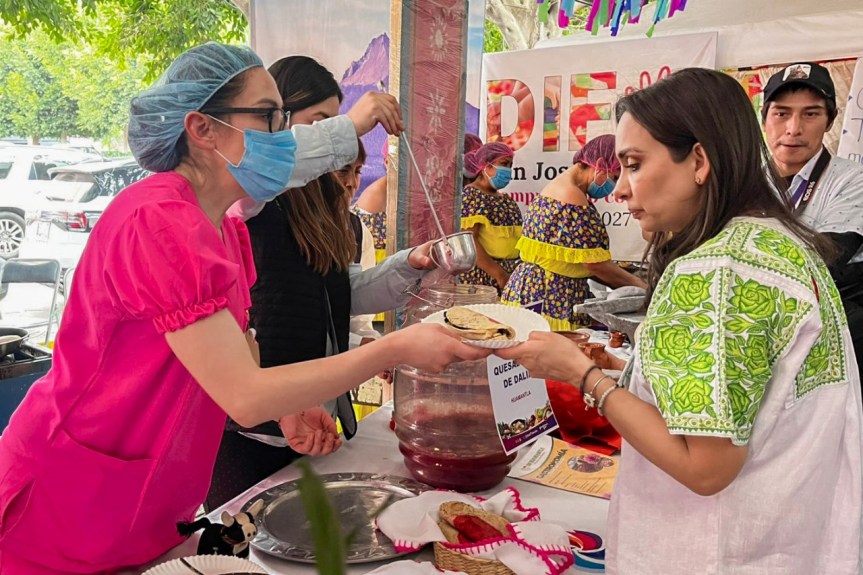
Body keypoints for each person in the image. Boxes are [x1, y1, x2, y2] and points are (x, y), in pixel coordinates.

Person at [0, 42, 487, 574]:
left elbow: (235, 363)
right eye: (268, 118)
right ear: (202, 129)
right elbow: (244, 395)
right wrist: (395, 347)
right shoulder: (157, 219)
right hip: (65, 501)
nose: (285, 138)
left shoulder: (226, 228)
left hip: (150, 503)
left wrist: (286, 406)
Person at [498, 68, 862, 574]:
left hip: (709, 551)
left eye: (634, 164)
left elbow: (705, 467)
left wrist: (584, 377)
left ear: (698, 160)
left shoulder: (712, 270)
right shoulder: (778, 243)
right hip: (785, 542)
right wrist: (629, 371)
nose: (621, 191)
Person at [210, 56, 434, 510]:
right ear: (279, 122)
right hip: (253, 431)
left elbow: (338, 293)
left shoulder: (331, 209)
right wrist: (351, 125)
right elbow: (262, 164)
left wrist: (409, 264)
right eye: (321, 122)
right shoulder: (252, 201)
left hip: (308, 414)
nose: (339, 141)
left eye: (336, 120)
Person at [761, 61, 863, 382]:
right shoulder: (745, 183)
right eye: (781, 113)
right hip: (762, 330)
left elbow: (826, 260)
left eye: (810, 114)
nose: (793, 128)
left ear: (830, 120)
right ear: (764, 118)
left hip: (835, 332)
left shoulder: (851, 180)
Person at [501, 135, 646, 330]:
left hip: (536, 292)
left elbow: (579, 258)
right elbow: (595, 264)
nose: (615, 187)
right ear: (600, 165)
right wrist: (644, 289)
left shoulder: (563, 189)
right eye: (614, 177)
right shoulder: (571, 196)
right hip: (549, 298)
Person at [459, 142, 522, 291]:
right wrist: (499, 274)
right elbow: (469, 241)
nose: (508, 170)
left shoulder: (506, 200)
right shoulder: (472, 196)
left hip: (508, 277)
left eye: (510, 165)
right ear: (486, 166)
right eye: (504, 164)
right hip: (483, 279)